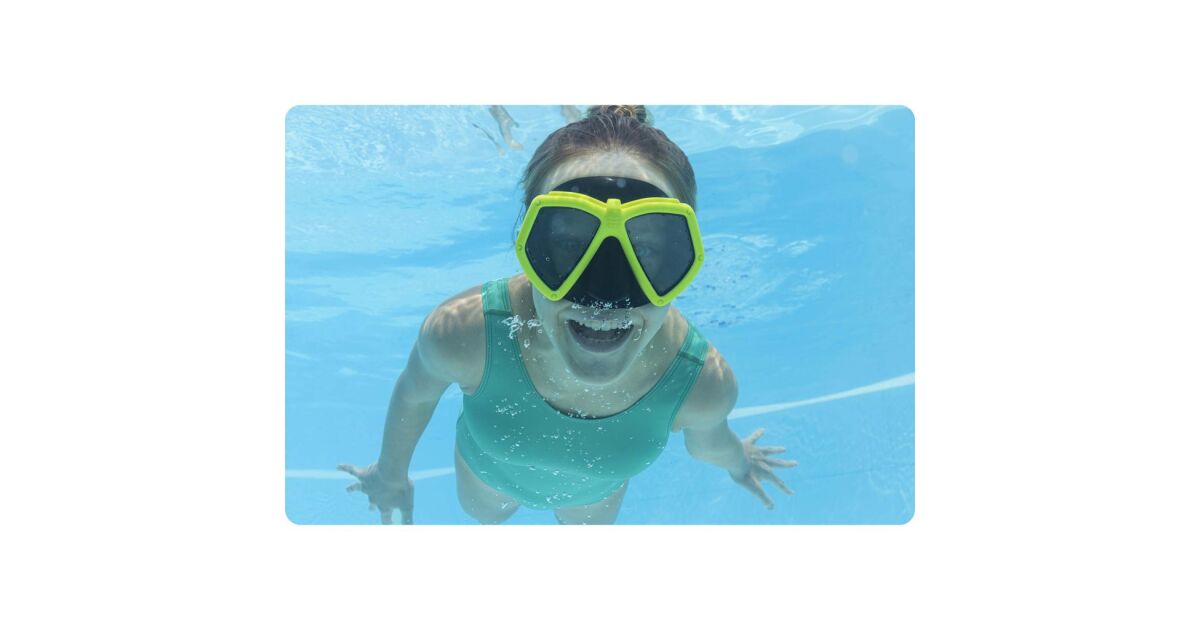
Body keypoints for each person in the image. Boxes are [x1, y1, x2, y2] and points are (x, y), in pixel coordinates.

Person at [339, 105, 796, 525]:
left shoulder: (701, 384)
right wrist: (390, 474)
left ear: (685, 258)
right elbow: (415, 394)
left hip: (592, 501)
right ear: (527, 246)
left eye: (646, 251)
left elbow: (711, 442)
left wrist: (741, 462)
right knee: (488, 519)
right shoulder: (466, 333)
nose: (603, 294)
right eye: (569, 245)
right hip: (487, 484)